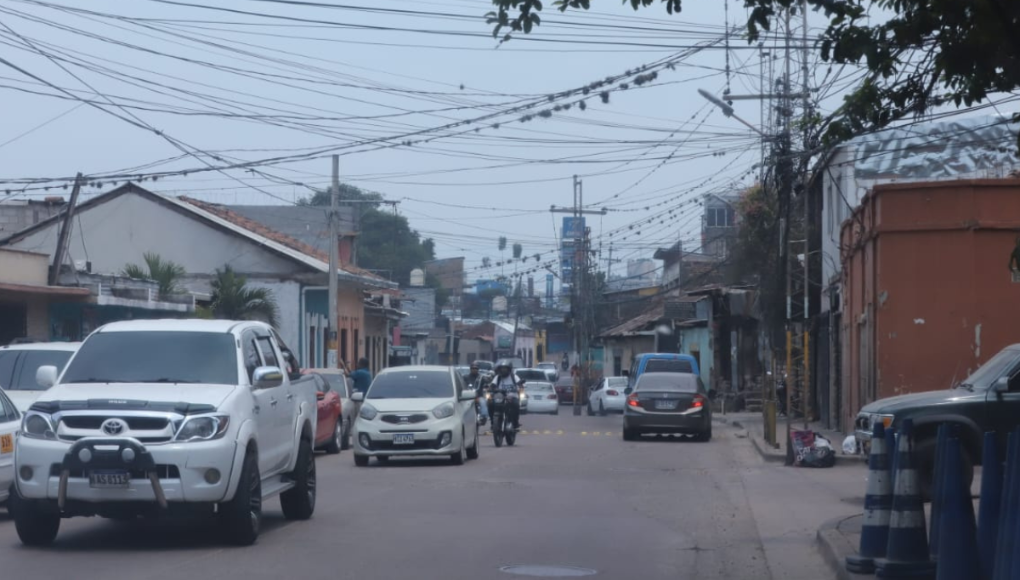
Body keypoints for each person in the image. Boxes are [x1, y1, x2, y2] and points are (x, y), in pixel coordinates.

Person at [489, 362, 522, 431]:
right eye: (502, 369)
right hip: (500, 397)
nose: (503, 370)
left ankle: (515, 423)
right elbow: (492, 385)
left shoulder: (514, 377)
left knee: (516, 404)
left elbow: (520, 384)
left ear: (509, 369)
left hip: (512, 397)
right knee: (490, 403)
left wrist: (519, 387)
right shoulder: (497, 377)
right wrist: (491, 388)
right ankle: (493, 422)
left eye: (505, 369)